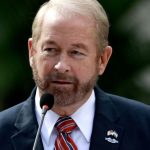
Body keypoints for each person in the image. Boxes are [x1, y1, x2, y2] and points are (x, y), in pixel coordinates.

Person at [0, 0, 150, 149]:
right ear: (32, 52)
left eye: (76, 52)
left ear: (102, 60)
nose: (61, 66)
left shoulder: (143, 127)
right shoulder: (3, 132)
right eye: (50, 50)